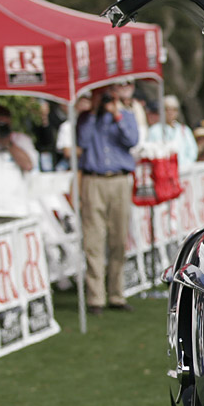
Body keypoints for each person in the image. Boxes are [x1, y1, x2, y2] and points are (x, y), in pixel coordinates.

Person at [77, 85, 139, 314]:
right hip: (93, 180)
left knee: (118, 238)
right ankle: (96, 297)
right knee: (93, 238)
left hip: (119, 180)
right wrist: (93, 111)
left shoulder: (126, 116)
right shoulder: (85, 118)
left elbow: (132, 139)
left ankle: (116, 293)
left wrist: (116, 113)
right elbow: (82, 142)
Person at [0, 103, 38, 218]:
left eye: (4, 124)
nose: (2, 128)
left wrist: (8, 143)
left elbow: (28, 165)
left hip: (15, 209)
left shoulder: (21, 140)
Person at [146, 95, 197, 171]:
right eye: (167, 109)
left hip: (183, 170)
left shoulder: (184, 130)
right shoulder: (154, 130)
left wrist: (185, 165)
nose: (170, 112)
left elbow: (192, 151)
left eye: (174, 109)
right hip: (163, 171)